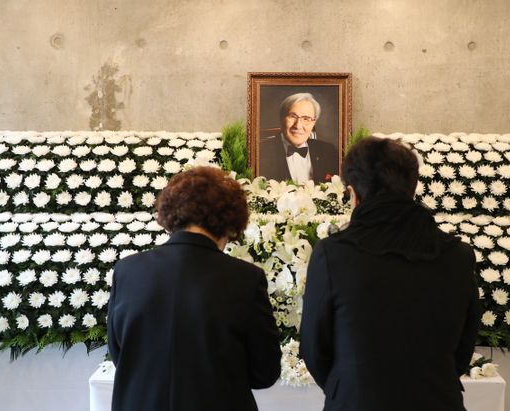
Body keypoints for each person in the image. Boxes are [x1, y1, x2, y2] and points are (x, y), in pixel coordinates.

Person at [299, 137, 481, 411]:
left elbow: (314, 348)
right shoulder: (459, 255)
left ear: (353, 195)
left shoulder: (332, 255)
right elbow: (462, 349)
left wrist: (350, 386)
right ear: (412, 189)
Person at [107, 166, 281, 411]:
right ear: (230, 221)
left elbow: (120, 354)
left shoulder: (127, 271)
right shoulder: (246, 278)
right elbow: (265, 372)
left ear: (171, 214)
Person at [259, 92, 338, 184]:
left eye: (306, 119)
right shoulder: (261, 151)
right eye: (292, 116)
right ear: (282, 118)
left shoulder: (329, 151)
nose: (298, 126)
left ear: (314, 123)